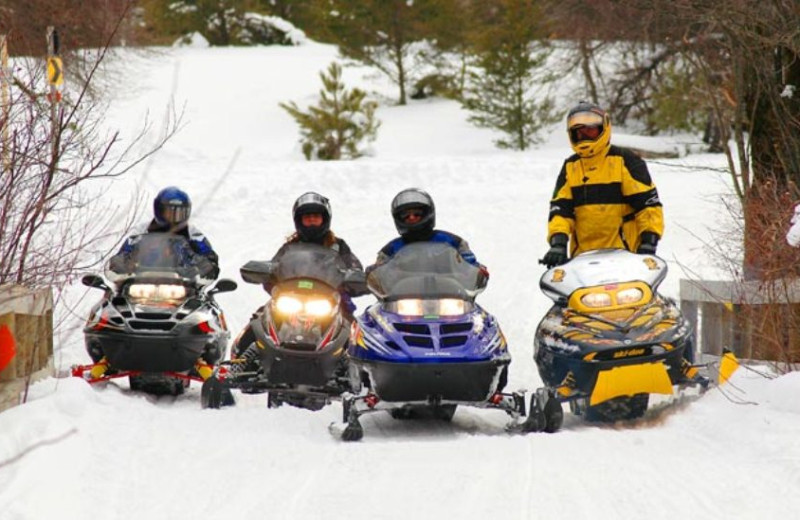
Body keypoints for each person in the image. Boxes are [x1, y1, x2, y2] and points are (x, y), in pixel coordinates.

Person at [232, 192, 364, 362]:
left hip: (329, 302)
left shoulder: (338, 246)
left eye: (315, 217)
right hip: (291, 300)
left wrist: (351, 282)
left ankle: (360, 370)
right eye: (307, 218)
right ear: (298, 220)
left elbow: (355, 270)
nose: (311, 221)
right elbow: (274, 270)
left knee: (353, 329)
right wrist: (270, 280)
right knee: (260, 320)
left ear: (325, 219)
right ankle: (239, 364)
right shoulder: (289, 247)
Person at [542, 101, 664, 268]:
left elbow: (648, 206)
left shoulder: (625, 160)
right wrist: (558, 243)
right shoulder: (571, 167)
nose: (585, 136)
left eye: (590, 131)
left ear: (604, 128)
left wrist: (649, 242)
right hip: (583, 261)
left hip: (627, 257)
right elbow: (560, 210)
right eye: (580, 133)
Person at [107, 186, 220, 282]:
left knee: (206, 304)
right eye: (170, 212)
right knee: (113, 300)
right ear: (158, 210)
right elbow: (125, 250)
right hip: (141, 282)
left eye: (180, 213)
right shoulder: (142, 231)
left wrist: (207, 264)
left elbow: (208, 254)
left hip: (183, 284)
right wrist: (119, 262)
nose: (174, 218)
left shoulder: (193, 233)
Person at [371, 188, 488, 276]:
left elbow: (469, 263)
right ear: (398, 218)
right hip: (402, 298)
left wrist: (478, 270)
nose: (411, 218)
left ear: (428, 213)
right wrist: (371, 273)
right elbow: (378, 272)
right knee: (373, 309)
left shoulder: (453, 241)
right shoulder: (390, 249)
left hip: (449, 294)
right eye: (406, 215)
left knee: (476, 309)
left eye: (417, 213)